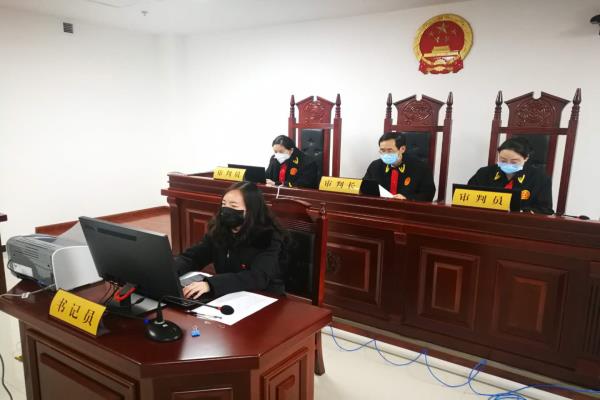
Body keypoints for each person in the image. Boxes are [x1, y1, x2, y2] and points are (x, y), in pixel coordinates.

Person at [174, 181, 286, 299]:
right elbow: (193, 257)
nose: (226, 210)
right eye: (224, 204)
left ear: (251, 210)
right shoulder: (220, 231)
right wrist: (171, 271)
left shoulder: (269, 236)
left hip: (264, 297)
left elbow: (258, 277)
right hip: (229, 294)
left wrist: (211, 284)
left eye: (233, 206)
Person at [468, 137, 553, 214]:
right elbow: (468, 197)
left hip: (518, 223)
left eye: (514, 162)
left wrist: (524, 212)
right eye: (503, 160)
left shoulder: (540, 178)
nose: (508, 164)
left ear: (526, 158)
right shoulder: (484, 173)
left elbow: (545, 209)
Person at [363, 132, 436, 201]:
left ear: (402, 149)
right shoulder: (375, 166)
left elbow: (428, 194)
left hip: (407, 207)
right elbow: (364, 187)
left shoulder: (420, 168)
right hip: (380, 207)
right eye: (382, 150)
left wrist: (407, 198)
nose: (385, 154)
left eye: (390, 150)